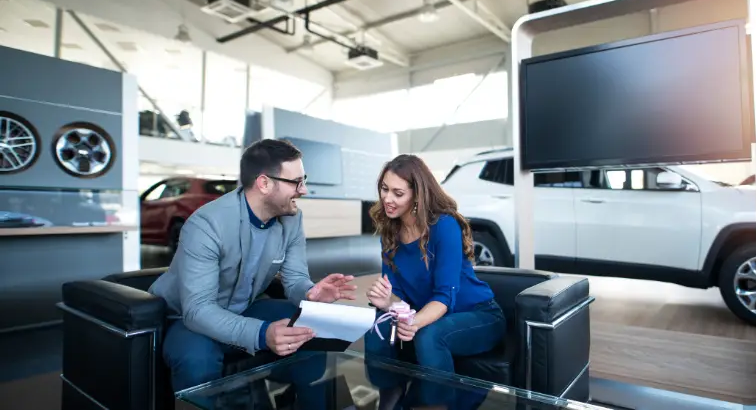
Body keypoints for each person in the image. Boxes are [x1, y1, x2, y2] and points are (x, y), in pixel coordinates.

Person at [148, 138, 357, 394]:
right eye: (296, 182)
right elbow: (198, 310)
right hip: (187, 317)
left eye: (304, 180)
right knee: (196, 359)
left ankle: (300, 398)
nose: (304, 190)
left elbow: (295, 279)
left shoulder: (291, 220)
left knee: (311, 328)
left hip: (243, 307)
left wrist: (310, 293)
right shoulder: (206, 225)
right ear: (264, 183)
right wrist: (262, 333)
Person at [363, 154, 506, 408]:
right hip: (427, 312)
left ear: (417, 195)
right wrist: (387, 302)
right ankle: (390, 395)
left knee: (429, 335)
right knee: (377, 326)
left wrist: (414, 321)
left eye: (398, 193)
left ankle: (437, 406)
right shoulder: (389, 232)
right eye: (384, 189)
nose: (387, 198)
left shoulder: (444, 226)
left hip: (478, 315)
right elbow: (398, 297)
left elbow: (444, 297)